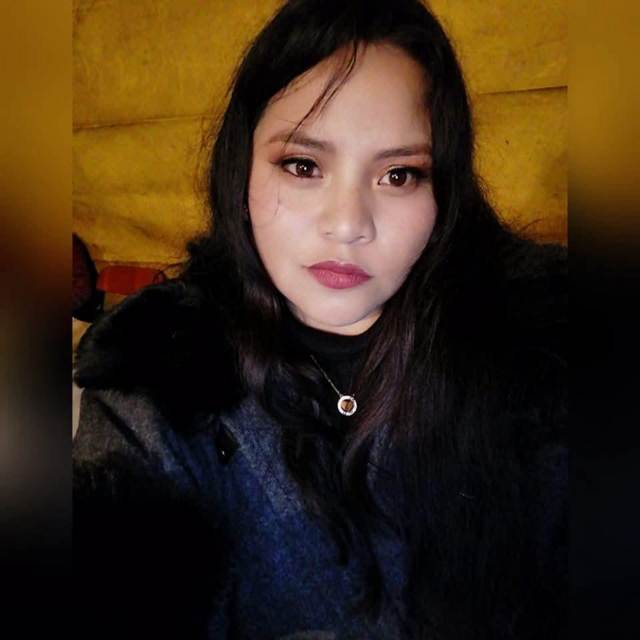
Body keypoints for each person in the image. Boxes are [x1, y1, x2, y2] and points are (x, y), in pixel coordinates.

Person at [72, 0, 567, 638]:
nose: (348, 224)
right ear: (240, 175)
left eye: (398, 174)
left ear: (444, 195)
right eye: (303, 166)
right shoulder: (155, 380)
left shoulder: (538, 357)